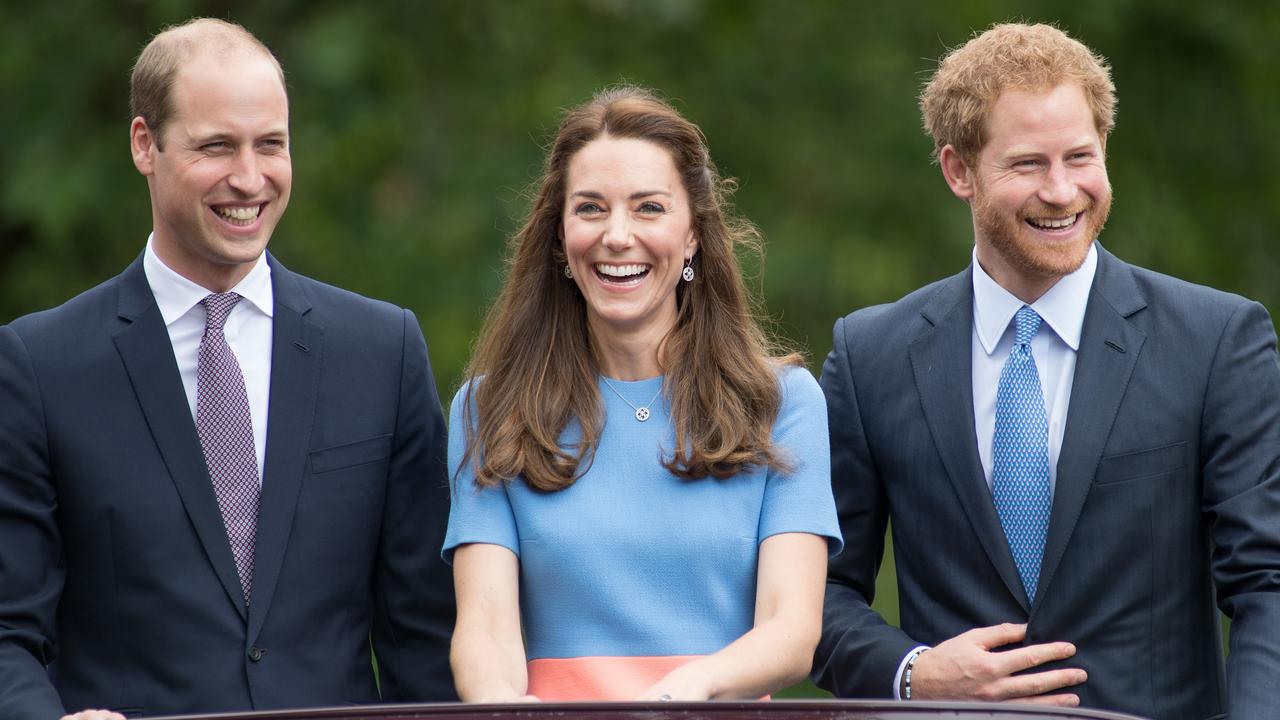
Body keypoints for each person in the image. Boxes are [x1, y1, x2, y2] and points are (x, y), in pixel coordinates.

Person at [812, 21, 1280, 719]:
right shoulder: (870, 355)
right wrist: (912, 673)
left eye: (1081, 157)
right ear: (958, 171)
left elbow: (1266, 582)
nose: (1063, 192)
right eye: (1029, 164)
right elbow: (812, 596)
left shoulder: (1217, 341)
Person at [0, 18, 455, 720]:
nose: (250, 178)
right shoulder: (38, 366)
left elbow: (425, 635)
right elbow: (7, 631)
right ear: (144, 144)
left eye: (271, 144)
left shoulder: (382, 350)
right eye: (217, 147)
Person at [444, 86, 841, 702]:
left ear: (693, 237)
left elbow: (791, 631)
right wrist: (506, 710)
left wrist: (687, 691)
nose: (617, 235)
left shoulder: (782, 403)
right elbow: (486, 627)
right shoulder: (488, 408)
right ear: (559, 236)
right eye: (591, 208)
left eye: (648, 208)